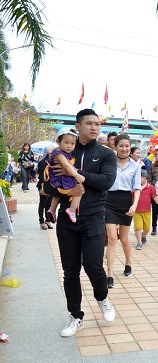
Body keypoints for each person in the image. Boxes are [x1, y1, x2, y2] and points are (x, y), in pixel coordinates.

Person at [44, 108, 117, 337]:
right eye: (89, 123)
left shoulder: (105, 154)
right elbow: (46, 186)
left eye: (97, 124)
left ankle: (102, 297)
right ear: (78, 126)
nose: (94, 127)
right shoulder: (63, 151)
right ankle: (75, 316)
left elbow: (106, 181)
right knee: (70, 270)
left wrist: (77, 175)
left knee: (94, 265)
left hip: (94, 216)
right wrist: (68, 187)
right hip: (68, 217)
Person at [104, 133, 142, 288]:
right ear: (115, 146)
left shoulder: (135, 166)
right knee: (112, 238)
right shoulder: (108, 162)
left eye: (127, 146)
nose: (124, 149)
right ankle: (110, 274)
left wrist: (135, 205)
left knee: (124, 239)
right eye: (121, 146)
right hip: (108, 201)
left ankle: (128, 263)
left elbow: (137, 187)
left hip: (126, 202)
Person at [46, 127, 85, 223]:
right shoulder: (59, 154)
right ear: (58, 141)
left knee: (57, 195)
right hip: (62, 178)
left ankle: (52, 209)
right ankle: (72, 209)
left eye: (72, 144)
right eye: (66, 143)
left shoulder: (61, 152)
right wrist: (77, 175)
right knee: (79, 191)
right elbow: (67, 166)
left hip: (57, 179)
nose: (69, 146)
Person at [134, 170, 156, 250]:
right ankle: (139, 242)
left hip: (147, 211)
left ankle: (144, 236)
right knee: (138, 227)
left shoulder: (150, 187)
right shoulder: (135, 188)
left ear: (144, 178)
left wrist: (157, 198)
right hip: (137, 211)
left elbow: (154, 196)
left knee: (147, 228)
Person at [36, 146, 55, 230]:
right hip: (44, 184)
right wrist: (42, 188)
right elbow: (41, 176)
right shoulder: (42, 163)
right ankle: (41, 221)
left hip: (52, 185)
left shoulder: (54, 163)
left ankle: (48, 220)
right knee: (43, 203)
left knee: (49, 204)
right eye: (50, 153)